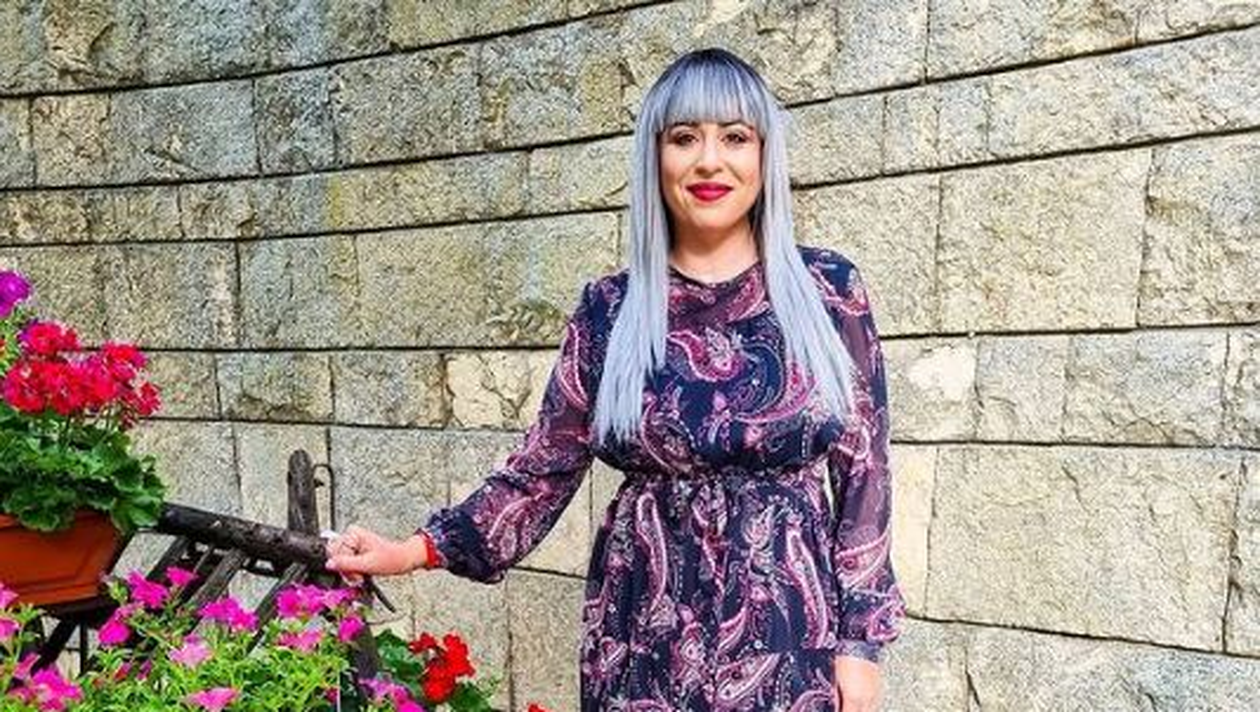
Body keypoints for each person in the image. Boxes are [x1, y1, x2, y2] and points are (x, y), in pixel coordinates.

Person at [326, 47, 907, 711]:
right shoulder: (611, 309)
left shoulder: (827, 290)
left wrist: (860, 646)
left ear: (764, 155)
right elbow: (542, 469)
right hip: (640, 631)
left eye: (735, 137)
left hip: (790, 634)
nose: (709, 161)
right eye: (684, 138)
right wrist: (412, 551)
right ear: (655, 157)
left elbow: (866, 476)